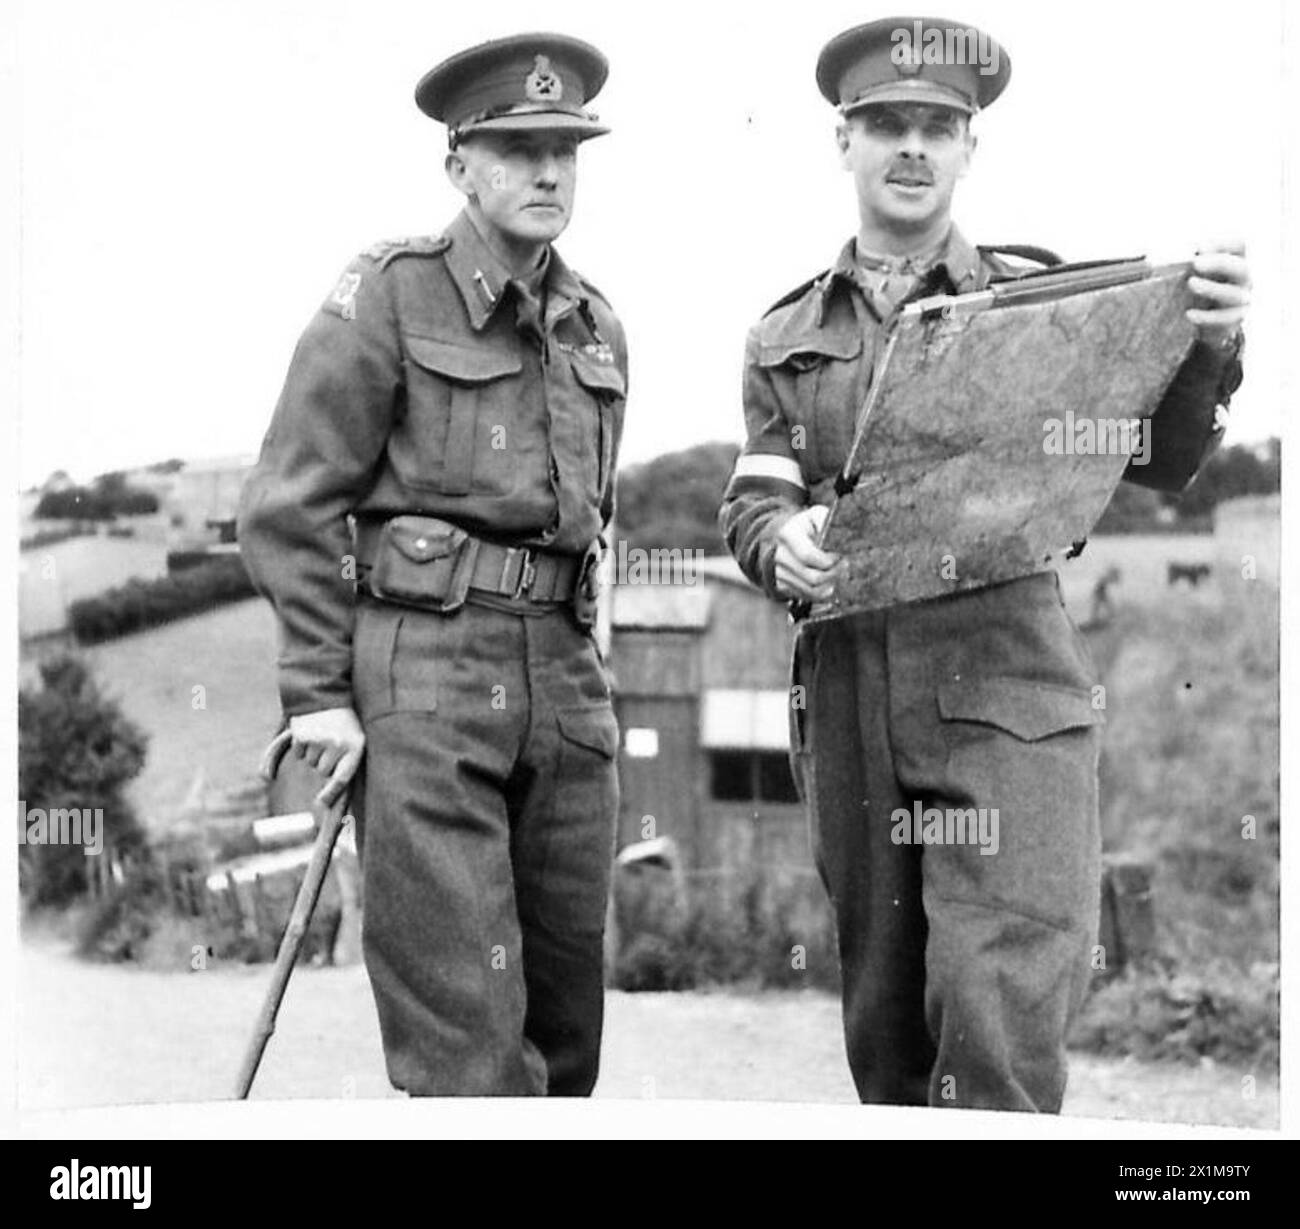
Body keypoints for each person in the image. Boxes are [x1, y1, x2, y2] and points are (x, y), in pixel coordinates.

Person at [718, 17, 1249, 1111]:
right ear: (844, 142)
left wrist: (1208, 343)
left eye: (936, 127)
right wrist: (783, 549)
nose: (911, 146)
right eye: (886, 125)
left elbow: (1158, 458)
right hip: (852, 687)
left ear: (969, 149)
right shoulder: (781, 337)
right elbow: (757, 495)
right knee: (886, 1029)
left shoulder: (1044, 305)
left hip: (1006, 686)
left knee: (996, 1007)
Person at [238, 33, 627, 1096]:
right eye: (517, 148)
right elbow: (288, 504)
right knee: (468, 1044)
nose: (549, 171)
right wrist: (319, 694)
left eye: (566, 149)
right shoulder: (387, 295)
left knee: (568, 1031)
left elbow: (595, 526)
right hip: (426, 680)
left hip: (565, 687)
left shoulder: (597, 326)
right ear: (459, 163)